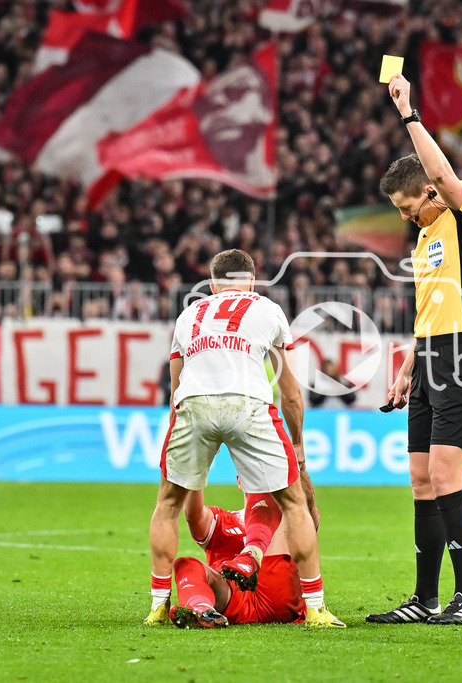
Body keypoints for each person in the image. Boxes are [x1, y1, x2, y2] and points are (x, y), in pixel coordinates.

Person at [145, 249, 344, 629]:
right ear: (252, 281)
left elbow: (175, 389)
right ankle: (316, 608)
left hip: (194, 402)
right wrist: (298, 449)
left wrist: (186, 432)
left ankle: (158, 605)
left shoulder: (188, 316)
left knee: (167, 504)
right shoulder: (268, 310)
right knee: (295, 503)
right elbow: (289, 394)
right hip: (248, 401)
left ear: (213, 283)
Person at [366, 74, 462, 625]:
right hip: (429, 361)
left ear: (432, 194)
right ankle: (425, 600)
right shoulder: (423, 239)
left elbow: (441, 169)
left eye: (407, 204)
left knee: (446, 479)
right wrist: (406, 370)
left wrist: (409, 113)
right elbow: (427, 313)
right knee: (420, 482)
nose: (404, 215)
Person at [168, 489, 305, 629]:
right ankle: (203, 610)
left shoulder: (290, 513)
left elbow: (311, 518)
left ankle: (250, 561)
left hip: (276, 594)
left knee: (282, 515)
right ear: (240, 480)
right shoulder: (222, 519)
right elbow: (194, 517)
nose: (258, 477)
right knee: (185, 564)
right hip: (231, 597)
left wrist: (301, 473)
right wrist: (194, 478)